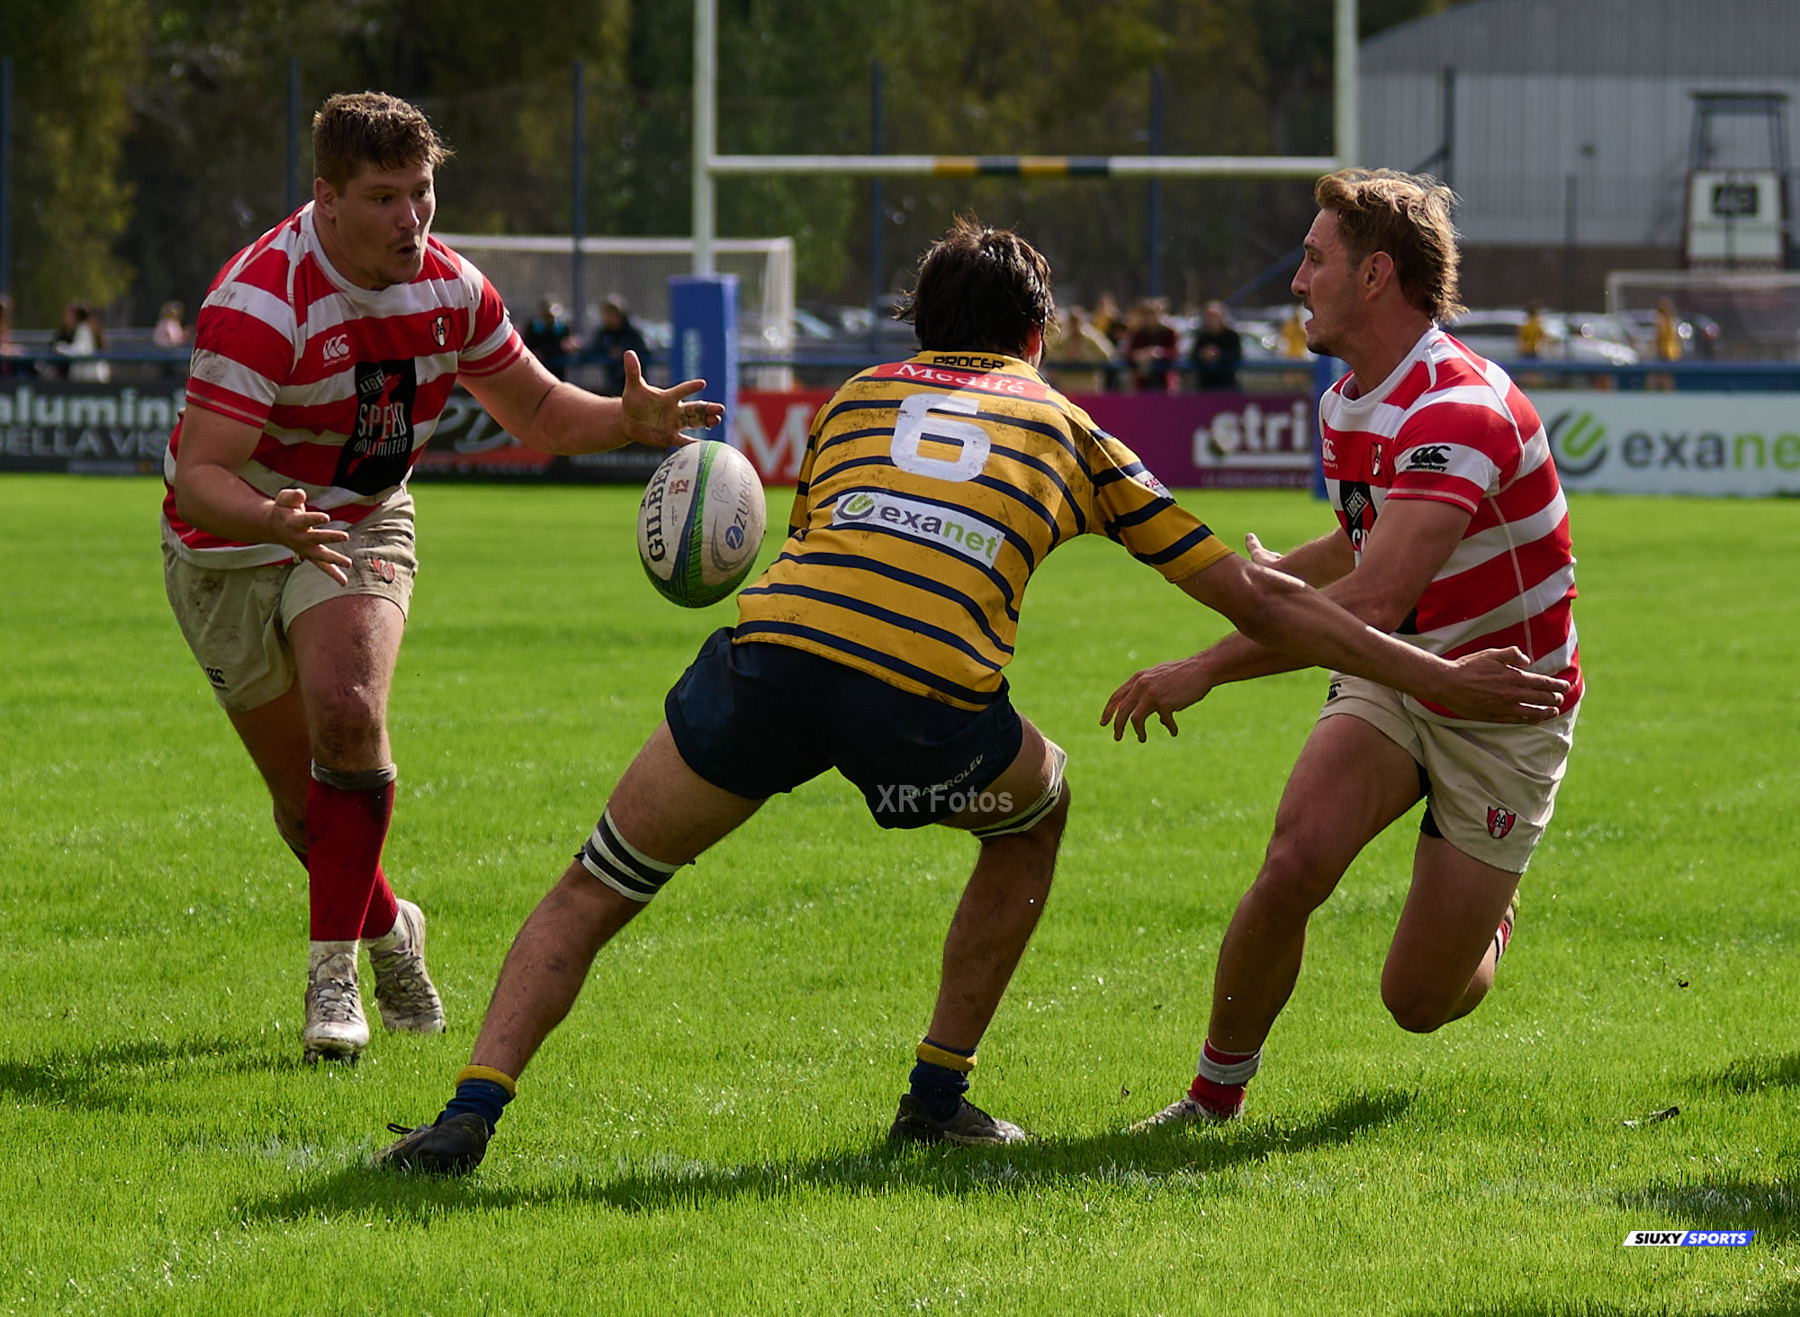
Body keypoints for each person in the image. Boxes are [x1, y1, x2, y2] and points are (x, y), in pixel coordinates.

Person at [375, 215, 1565, 1174]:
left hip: (771, 656)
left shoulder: (849, 401)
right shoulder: (1068, 426)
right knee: (1039, 810)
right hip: (925, 695)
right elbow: (1264, 601)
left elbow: (809, 549)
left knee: (599, 880)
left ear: (918, 327)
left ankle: (467, 1119)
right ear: (1039, 336)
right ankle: (936, 1099)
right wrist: (1424, 673)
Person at [160, 92, 721, 1067]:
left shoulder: (453, 290)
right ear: (326, 200)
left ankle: (332, 978)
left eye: (420, 194)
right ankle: (389, 929)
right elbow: (203, 476)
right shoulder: (261, 300)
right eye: (383, 198)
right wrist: (270, 519)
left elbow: (541, 415)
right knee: (306, 810)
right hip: (231, 543)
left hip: (363, 517)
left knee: (347, 714)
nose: (410, 219)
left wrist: (624, 423)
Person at [1105, 168, 1582, 1129]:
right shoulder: (1346, 401)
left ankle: (1486, 919)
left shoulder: (1459, 409)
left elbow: (1371, 596)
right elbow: (1364, 541)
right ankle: (1210, 1099)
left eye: (1313, 259)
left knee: (1418, 1002)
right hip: (1395, 677)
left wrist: (1204, 665)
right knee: (1292, 865)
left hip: (1504, 708)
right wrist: (1292, 566)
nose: (1297, 281)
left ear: (1374, 276)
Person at [585, 294, 649, 396]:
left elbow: (645, 350)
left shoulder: (632, 333)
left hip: (635, 385)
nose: (607, 318)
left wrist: (623, 353)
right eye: (605, 314)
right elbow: (592, 350)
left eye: (611, 313)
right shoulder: (603, 334)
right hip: (613, 384)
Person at [1124, 297, 1179, 392]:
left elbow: (1174, 353)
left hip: (1165, 385)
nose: (1150, 317)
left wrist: (1159, 353)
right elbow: (1128, 354)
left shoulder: (1169, 332)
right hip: (1142, 385)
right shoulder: (1137, 333)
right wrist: (1139, 355)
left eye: (1153, 313)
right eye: (1146, 314)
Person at [1188, 300, 1243, 390]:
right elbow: (1193, 355)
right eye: (1209, 316)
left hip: (1226, 386)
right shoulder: (1202, 336)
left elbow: (1236, 355)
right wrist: (1203, 354)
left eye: (1215, 316)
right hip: (1205, 386)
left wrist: (1218, 354)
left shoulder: (1232, 336)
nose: (1212, 319)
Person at [520, 298, 576, 380]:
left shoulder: (563, 328)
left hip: (558, 367)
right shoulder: (533, 328)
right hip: (539, 366)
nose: (549, 319)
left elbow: (565, 346)